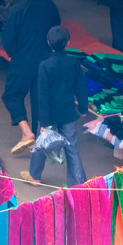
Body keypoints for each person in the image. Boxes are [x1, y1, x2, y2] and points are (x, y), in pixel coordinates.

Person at [0, 0, 60, 152]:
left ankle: (27, 133)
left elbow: (8, 39)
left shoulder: (16, 8)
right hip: (46, 58)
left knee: (11, 94)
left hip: (23, 59)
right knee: (39, 98)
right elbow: (56, 29)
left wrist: (13, 54)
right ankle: (40, 138)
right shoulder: (50, 5)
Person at [22, 26, 88, 187]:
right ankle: (77, 184)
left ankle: (34, 176)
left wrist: (43, 123)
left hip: (49, 115)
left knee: (42, 144)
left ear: (48, 43)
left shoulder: (45, 65)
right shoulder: (73, 63)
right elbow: (81, 88)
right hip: (68, 112)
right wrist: (83, 109)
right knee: (72, 147)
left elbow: (42, 96)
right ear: (68, 43)